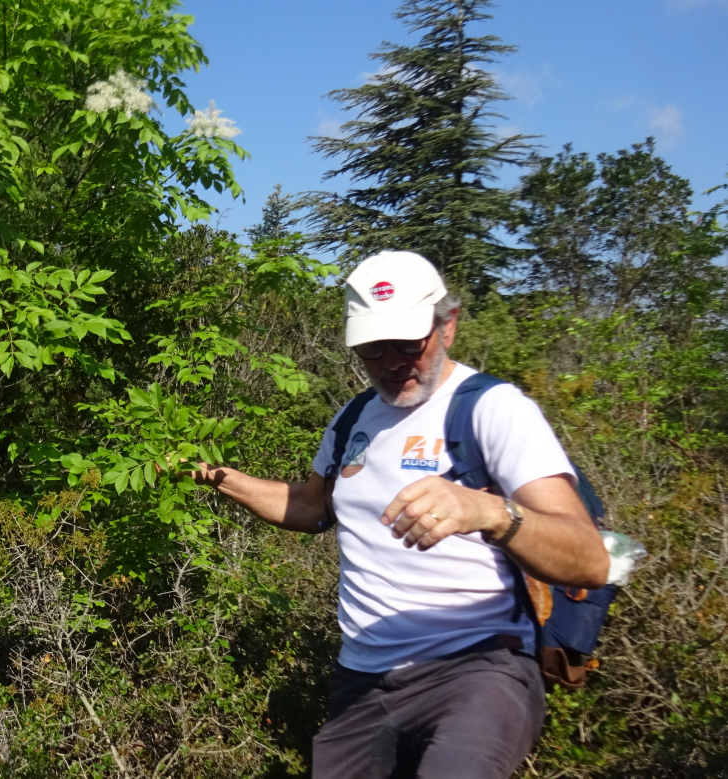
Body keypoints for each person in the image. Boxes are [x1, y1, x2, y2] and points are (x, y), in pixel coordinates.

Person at [185, 251, 610, 779]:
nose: (391, 361)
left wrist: (490, 511)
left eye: (409, 342)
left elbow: (590, 560)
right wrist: (217, 477)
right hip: (362, 680)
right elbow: (313, 508)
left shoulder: (494, 409)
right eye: (372, 347)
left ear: (447, 325)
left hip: (477, 669)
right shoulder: (353, 419)